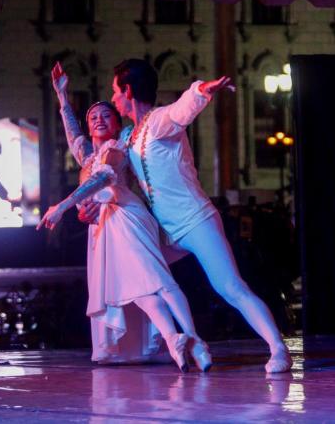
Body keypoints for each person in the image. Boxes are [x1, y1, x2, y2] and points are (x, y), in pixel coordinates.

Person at [80, 59, 292, 372]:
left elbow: (183, 108)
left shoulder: (160, 121)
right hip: (165, 231)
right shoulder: (128, 137)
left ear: (127, 90)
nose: (113, 99)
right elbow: (106, 169)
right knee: (137, 268)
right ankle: (182, 341)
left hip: (195, 222)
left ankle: (278, 349)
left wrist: (203, 90)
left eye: (115, 92)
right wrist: (94, 205)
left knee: (230, 287)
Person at [37, 62, 210, 372]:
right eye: (93, 117)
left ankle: (188, 340)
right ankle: (171, 340)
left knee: (155, 282)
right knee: (138, 289)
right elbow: (73, 134)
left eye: (106, 115)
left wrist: (62, 206)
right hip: (103, 231)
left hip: (126, 217)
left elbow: (103, 178)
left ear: (117, 123)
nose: (99, 120)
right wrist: (62, 97)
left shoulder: (118, 147)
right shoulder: (87, 154)